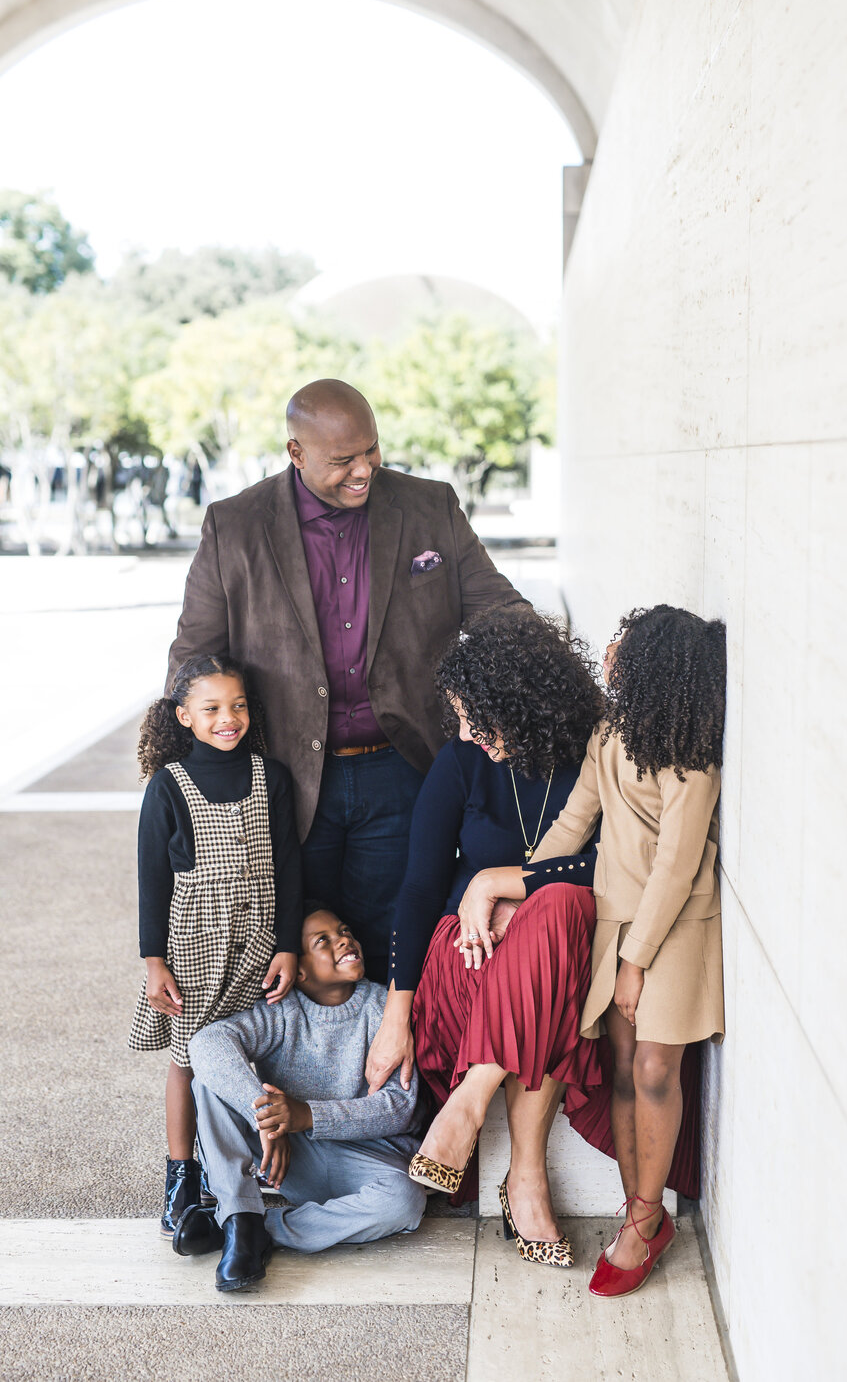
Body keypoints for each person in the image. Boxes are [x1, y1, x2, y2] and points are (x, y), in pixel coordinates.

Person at [167, 378, 525, 984]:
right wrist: (186, 784)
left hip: (402, 765)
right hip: (282, 772)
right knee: (285, 944)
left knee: (394, 941)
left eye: (371, 450)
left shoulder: (430, 506)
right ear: (295, 452)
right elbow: (193, 659)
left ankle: (394, 1075)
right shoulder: (235, 527)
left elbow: (503, 612)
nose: (364, 469)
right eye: (343, 460)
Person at [365, 606, 608, 1267]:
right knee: (549, 967)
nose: (469, 732)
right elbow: (417, 889)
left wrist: (498, 881)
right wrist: (397, 1009)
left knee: (555, 914)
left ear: (526, 703)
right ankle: (525, 1181)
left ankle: (469, 1107)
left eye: (480, 716)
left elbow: (618, 863)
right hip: (465, 951)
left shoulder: (595, 751)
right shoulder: (462, 761)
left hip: (548, 944)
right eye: (461, 716)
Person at [530, 605, 726, 1298]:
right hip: (615, 920)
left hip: (672, 930)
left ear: (653, 666)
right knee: (618, 1068)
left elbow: (675, 869)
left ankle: (646, 1223)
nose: (609, 650)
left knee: (651, 1069)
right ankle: (639, 1211)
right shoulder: (611, 732)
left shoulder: (692, 758)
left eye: (624, 644)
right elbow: (576, 819)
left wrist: (635, 962)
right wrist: (522, 890)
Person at [128, 654, 303, 1237]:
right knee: (186, 1058)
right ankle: (182, 1172)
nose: (227, 718)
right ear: (184, 716)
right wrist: (156, 962)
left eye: (238, 706)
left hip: (256, 937)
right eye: (211, 709)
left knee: (242, 1053)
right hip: (195, 940)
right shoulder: (168, 785)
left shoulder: (269, 776)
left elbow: (287, 868)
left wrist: (287, 945)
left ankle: (230, 1168)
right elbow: (151, 879)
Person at [172, 904, 425, 1293]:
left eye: (344, 930)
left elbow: (400, 1109)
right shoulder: (282, 1012)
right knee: (210, 1080)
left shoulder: (384, 1008)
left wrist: (306, 1115)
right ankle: (240, 1215)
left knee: (404, 1202)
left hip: (366, 1161)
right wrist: (266, 1117)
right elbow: (206, 1043)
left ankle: (250, 1228)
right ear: (298, 970)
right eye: (322, 941)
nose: (343, 939)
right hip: (290, 1157)